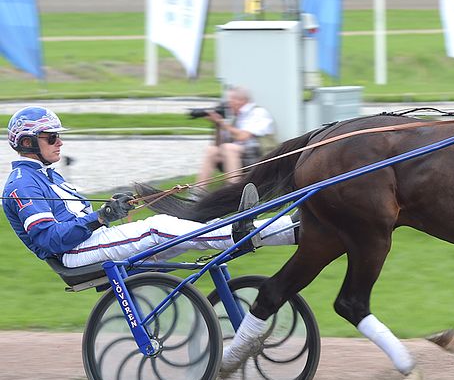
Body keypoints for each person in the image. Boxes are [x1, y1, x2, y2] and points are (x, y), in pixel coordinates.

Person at [2, 106, 296, 270]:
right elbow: (52, 241)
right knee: (158, 228)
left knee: (185, 229)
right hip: (75, 253)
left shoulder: (47, 176)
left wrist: (109, 211)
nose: (60, 142)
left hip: (93, 241)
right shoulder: (23, 184)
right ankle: (238, 233)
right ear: (27, 142)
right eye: (52, 137)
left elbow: (82, 220)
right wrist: (101, 217)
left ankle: (287, 229)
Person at [196, 86, 277, 186]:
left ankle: (232, 190)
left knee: (229, 148)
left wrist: (222, 123)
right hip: (237, 155)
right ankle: (197, 192)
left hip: (260, 157)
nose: (229, 104)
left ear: (241, 100)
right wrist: (217, 124)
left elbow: (243, 136)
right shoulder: (235, 117)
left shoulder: (258, 113)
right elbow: (218, 144)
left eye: (231, 100)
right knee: (211, 150)